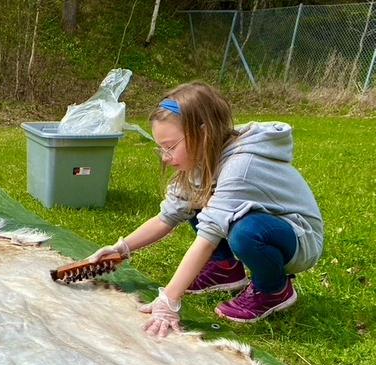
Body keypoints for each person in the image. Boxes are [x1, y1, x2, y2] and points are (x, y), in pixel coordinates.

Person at [90, 81, 323, 336]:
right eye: (161, 148)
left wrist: (169, 301)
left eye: (170, 146)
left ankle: (273, 289)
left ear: (204, 134)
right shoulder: (201, 161)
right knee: (199, 203)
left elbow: (207, 238)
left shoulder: (240, 168)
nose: (165, 157)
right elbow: (167, 216)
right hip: (260, 222)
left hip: (297, 238)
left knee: (244, 233)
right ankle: (225, 270)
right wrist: (121, 249)